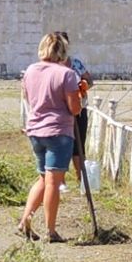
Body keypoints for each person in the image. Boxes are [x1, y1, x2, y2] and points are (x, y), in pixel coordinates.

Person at [18, 31, 83, 243]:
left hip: (35, 131)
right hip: (58, 132)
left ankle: (24, 220)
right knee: (53, 183)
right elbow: (74, 108)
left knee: (43, 178)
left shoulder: (30, 70)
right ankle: (51, 230)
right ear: (62, 52)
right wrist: (79, 95)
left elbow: (28, 98)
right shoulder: (66, 74)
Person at [57, 30, 95, 189]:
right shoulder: (51, 66)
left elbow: (89, 80)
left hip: (79, 109)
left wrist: (84, 85)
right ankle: (60, 180)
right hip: (60, 111)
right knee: (60, 144)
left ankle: (82, 179)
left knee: (79, 145)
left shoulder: (76, 64)